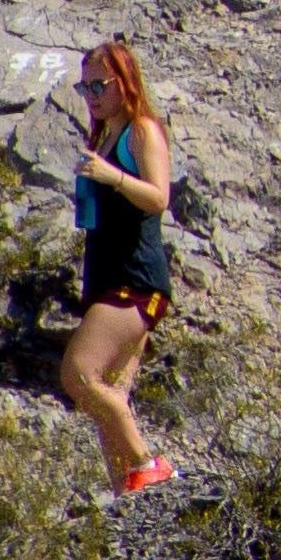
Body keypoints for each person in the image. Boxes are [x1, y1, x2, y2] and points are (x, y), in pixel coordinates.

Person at [51, 33, 175, 496]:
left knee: (79, 374)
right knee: (109, 398)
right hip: (107, 276)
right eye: (86, 88)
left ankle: (149, 464)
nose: (94, 97)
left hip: (134, 278)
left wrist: (113, 176)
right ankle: (137, 498)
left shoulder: (142, 130)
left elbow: (159, 198)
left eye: (101, 85)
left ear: (126, 82)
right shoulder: (103, 136)